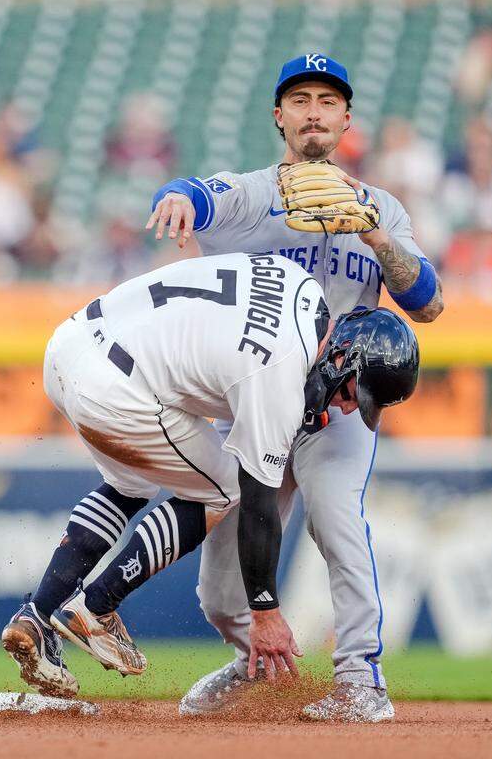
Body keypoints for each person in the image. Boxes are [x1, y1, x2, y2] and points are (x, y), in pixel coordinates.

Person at [143, 53, 443, 722]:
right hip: (257, 405)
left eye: (328, 101)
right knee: (221, 592)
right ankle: (257, 660)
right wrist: (175, 196)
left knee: (339, 525)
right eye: (300, 99)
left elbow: (426, 303)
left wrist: (368, 226)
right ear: (279, 115)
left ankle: (361, 681)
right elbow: (197, 192)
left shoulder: (381, 207)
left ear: (345, 119)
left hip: (337, 407)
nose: (314, 111)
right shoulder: (255, 195)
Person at [0, 252, 420, 711]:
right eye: (351, 393)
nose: (346, 409)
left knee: (129, 486)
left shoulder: (300, 286)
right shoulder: (278, 371)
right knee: (227, 488)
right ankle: (96, 606)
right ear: (341, 356)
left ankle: (36, 616)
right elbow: (259, 505)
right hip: (119, 384)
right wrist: (265, 612)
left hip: (73, 344)